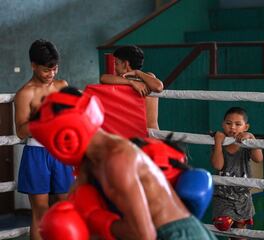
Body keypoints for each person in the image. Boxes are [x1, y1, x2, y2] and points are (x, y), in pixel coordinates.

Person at [29, 87, 217, 240]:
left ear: (66, 136)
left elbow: (144, 236)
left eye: (49, 144)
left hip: (177, 234)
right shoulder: (90, 164)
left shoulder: (118, 159)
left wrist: (96, 219)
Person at [14, 39, 74, 240]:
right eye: (46, 70)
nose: (51, 74)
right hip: (37, 153)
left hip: (61, 151)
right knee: (41, 210)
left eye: (54, 69)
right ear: (33, 65)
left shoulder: (62, 85)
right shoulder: (25, 93)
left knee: (66, 205)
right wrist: (43, 118)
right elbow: (21, 132)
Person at [210, 107, 263, 238]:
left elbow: (258, 158)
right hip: (223, 195)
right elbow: (218, 165)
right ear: (223, 124)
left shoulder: (246, 143)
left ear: (246, 127)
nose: (232, 127)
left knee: (241, 233)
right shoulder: (220, 142)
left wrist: (251, 138)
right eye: (228, 123)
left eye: (238, 124)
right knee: (223, 224)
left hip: (242, 196)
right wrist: (218, 142)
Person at [100, 45, 163, 129]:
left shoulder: (148, 76)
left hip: (150, 133)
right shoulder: (122, 80)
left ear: (126, 64)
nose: (115, 67)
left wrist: (137, 73)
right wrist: (131, 82)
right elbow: (103, 78)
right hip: (141, 133)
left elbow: (158, 87)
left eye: (116, 63)